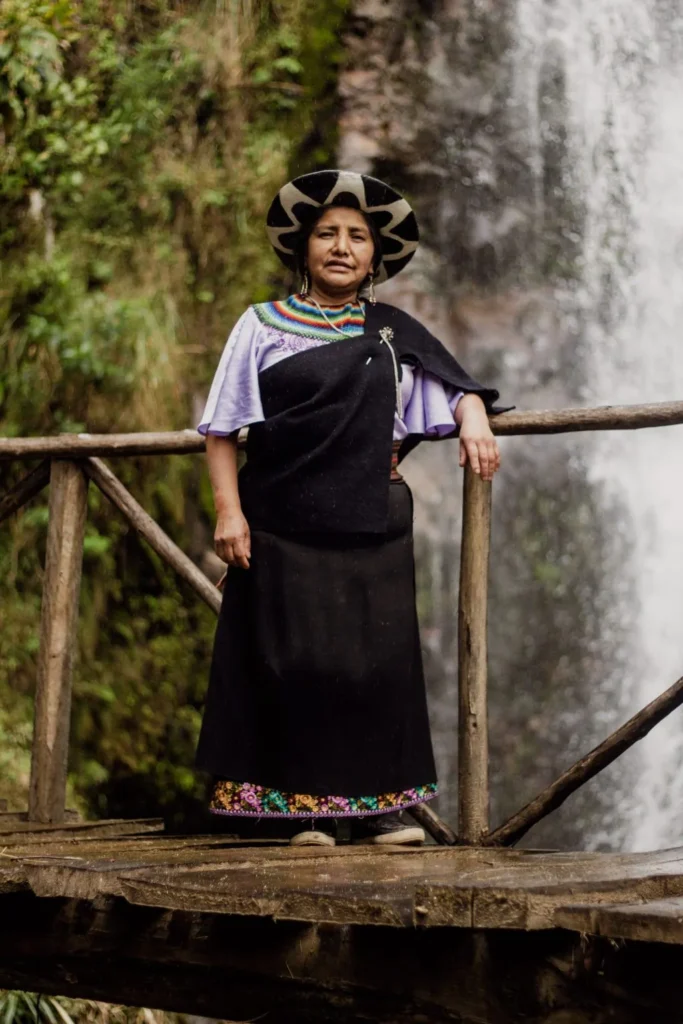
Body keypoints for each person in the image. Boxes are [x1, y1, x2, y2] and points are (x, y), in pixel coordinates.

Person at [196, 170, 505, 847]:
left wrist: (475, 417)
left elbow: (455, 387)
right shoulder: (261, 326)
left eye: (357, 237)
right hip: (282, 519)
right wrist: (229, 513)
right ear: (303, 248)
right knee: (294, 663)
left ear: (374, 257)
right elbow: (221, 429)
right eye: (327, 234)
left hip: (372, 521)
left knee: (374, 664)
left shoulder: (392, 332)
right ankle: (301, 814)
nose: (341, 247)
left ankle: (373, 812)